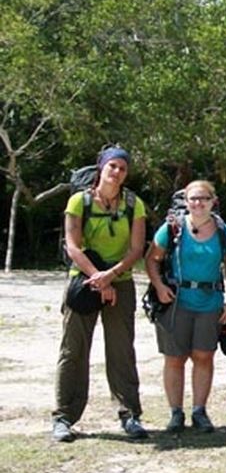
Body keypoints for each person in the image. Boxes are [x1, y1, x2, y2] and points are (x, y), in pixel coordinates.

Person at [52, 145, 149, 442]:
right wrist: (98, 278)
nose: (117, 172)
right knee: (73, 350)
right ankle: (64, 416)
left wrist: (110, 276)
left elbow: (136, 249)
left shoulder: (134, 204)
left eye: (122, 168)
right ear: (101, 168)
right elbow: (72, 246)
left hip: (119, 281)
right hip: (84, 281)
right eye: (112, 166)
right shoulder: (78, 202)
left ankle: (129, 414)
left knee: (121, 350)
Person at [144, 180, 226, 434]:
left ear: (213, 201)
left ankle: (200, 411)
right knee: (174, 358)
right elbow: (152, 259)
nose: (198, 203)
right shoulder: (172, 229)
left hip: (210, 302)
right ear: (186, 202)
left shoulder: (224, 232)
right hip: (176, 302)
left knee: (204, 356)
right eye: (193, 199)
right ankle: (176, 413)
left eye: (204, 199)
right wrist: (159, 286)